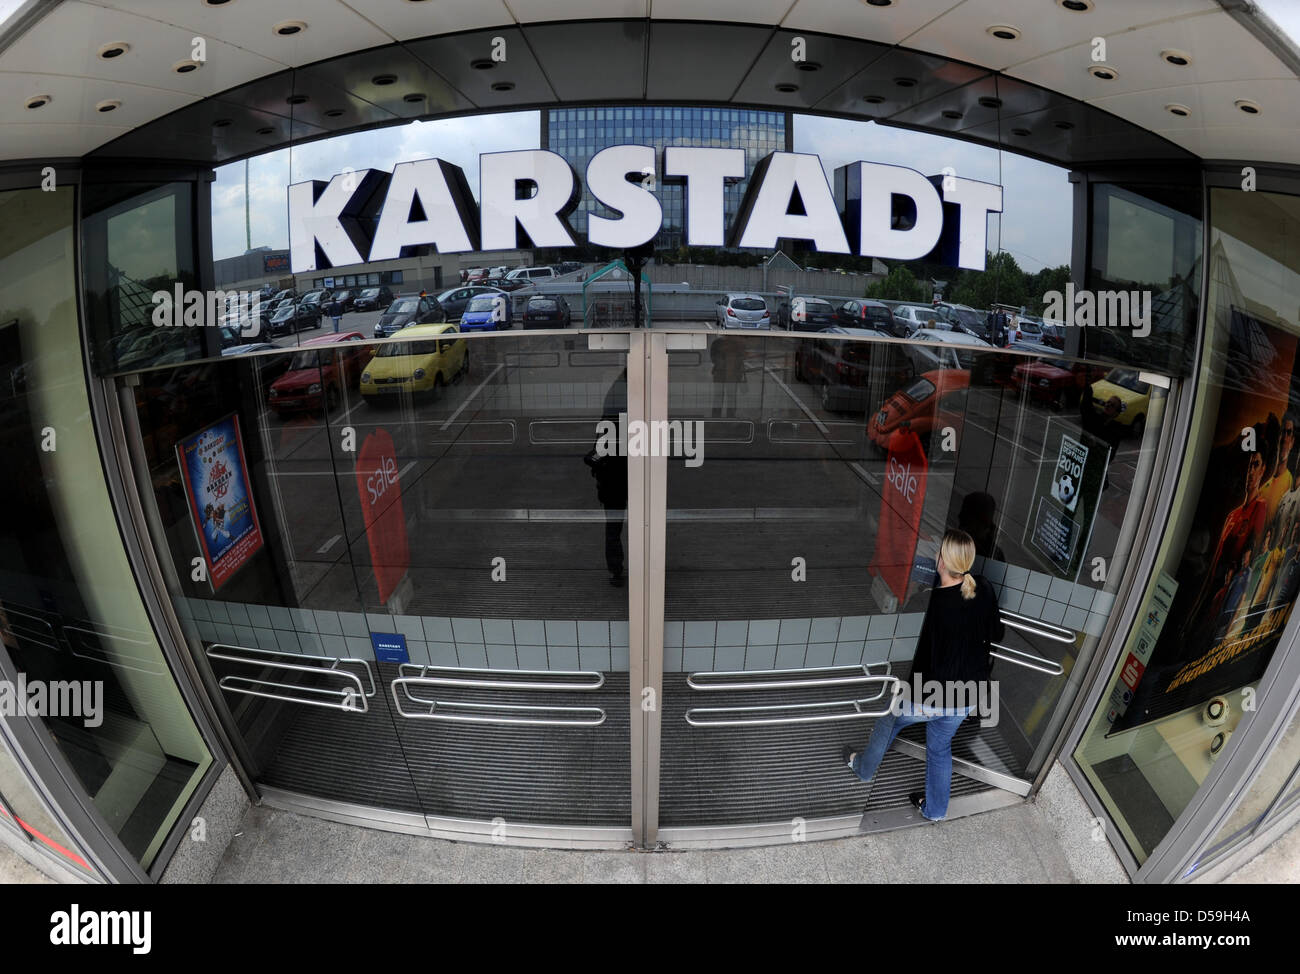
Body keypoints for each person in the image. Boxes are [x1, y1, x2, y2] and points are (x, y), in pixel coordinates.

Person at [843, 529, 1004, 821]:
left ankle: (864, 769)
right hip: (967, 697)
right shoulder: (984, 588)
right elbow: (997, 633)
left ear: (941, 561)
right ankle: (935, 810)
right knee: (939, 748)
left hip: (927, 697)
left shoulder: (926, 604)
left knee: (886, 722)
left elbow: (903, 649)